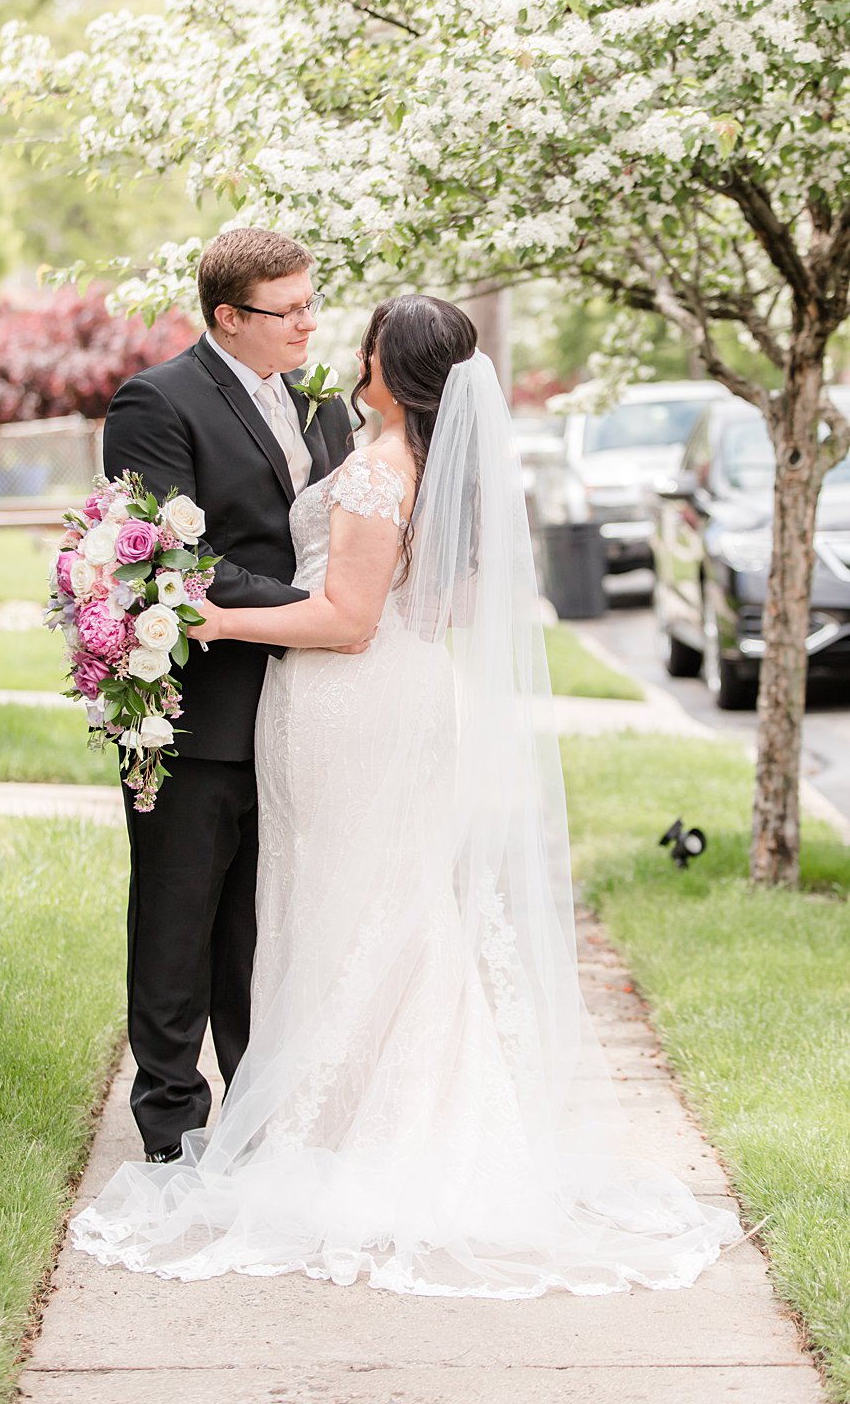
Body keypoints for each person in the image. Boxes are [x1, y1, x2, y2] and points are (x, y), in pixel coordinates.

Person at [73, 295, 741, 1298]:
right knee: (381, 904)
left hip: (352, 703)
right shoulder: (417, 461)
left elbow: (345, 620)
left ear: (399, 366)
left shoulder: (383, 466)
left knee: (352, 906)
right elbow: (437, 602)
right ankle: (366, 1115)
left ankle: (363, 1131)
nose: (350, 350)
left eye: (368, 344)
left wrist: (201, 616)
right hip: (398, 695)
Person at [101, 228, 352, 1163]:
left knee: (262, 918)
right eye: (287, 311)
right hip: (192, 713)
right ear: (228, 318)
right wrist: (320, 610)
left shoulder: (320, 407)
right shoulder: (155, 402)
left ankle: (255, 1112)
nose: (308, 323)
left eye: (309, 302)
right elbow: (176, 559)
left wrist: (339, 613)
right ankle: (170, 1119)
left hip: (302, 706)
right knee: (176, 923)